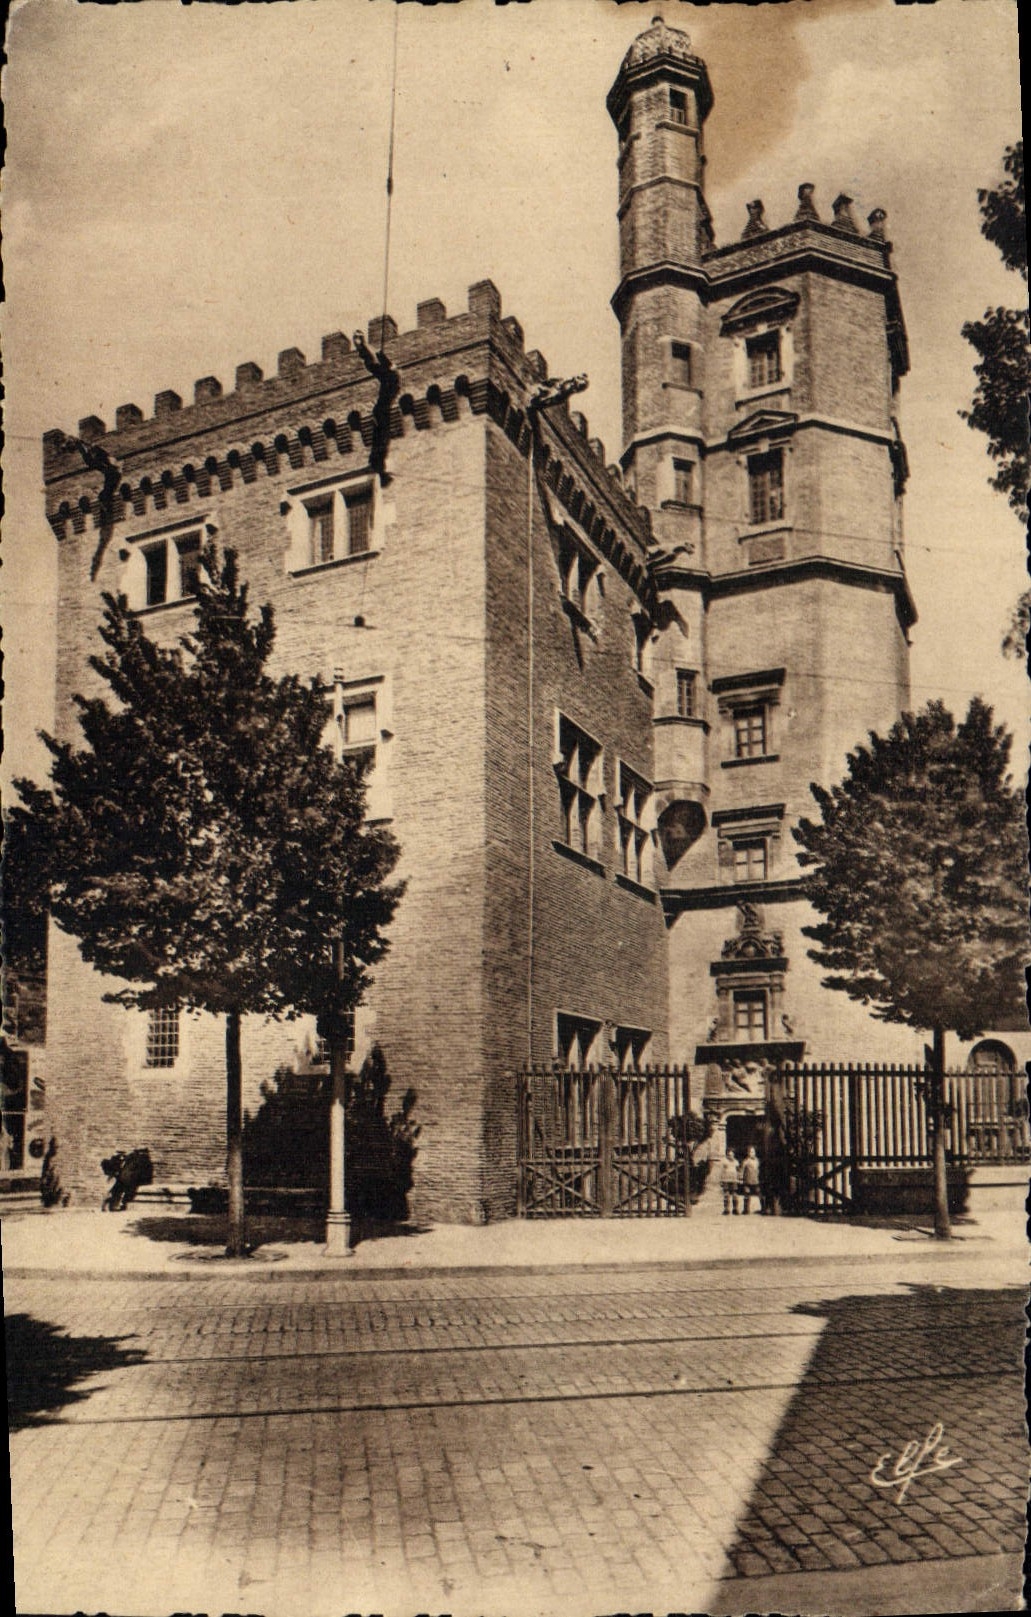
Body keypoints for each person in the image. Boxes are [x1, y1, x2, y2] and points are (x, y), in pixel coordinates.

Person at [720, 1148, 741, 1215]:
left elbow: (738, 1171)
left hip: (734, 1180)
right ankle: (726, 1209)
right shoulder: (724, 1161)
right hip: (726, 1180)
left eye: (732, 1155)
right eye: (729, 1155)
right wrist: (721, 1180)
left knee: (734, 1194)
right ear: (727, 1155)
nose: (730, 1156)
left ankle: (735, 1209)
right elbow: (722, 1171)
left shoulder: (736, 1162)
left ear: (734, 1155)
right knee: (726, 1194)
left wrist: (739, 1179)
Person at [740, 1146, 761, 1213]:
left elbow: (758, 1170)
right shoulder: (745, 1161)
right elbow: (742, 1170)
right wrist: (740, 1178)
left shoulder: (757, 1161)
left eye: (752, 1152)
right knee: (747, 1194)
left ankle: (763, 1207)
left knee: (759, 1193)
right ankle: (746, 1209)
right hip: (747, 1180)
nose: (751, 1153)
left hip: (755, 1180)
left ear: (755, 1153)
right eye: (749, 1152)